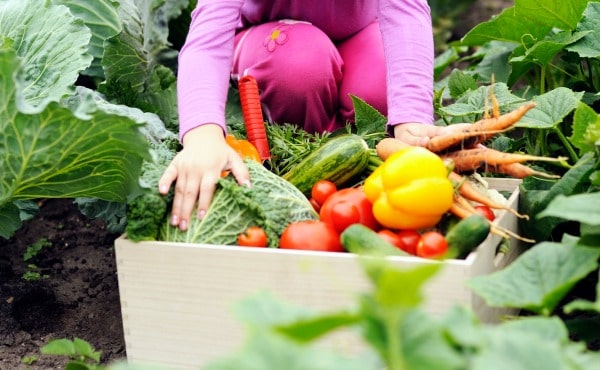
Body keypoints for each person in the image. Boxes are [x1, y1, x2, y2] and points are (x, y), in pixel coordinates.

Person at [160, 1, 449, 232]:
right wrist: (203, 136)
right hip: (271, 39)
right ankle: (311, 170)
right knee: (300, 67)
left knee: (381, 91)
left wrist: (411, 120)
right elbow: (208, 37)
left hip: (356, 32)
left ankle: (354, 163)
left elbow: (406, 11)